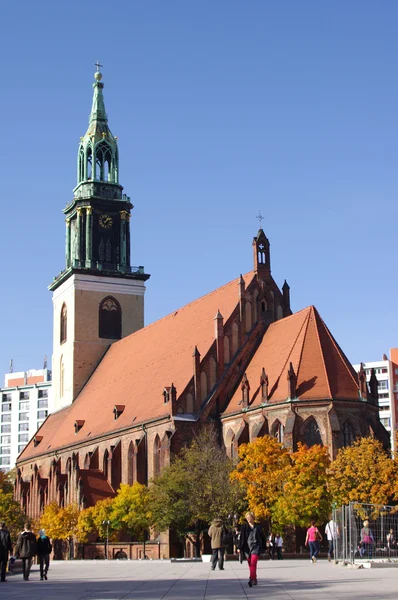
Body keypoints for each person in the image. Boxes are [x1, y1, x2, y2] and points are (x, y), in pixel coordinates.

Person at [238, 512, 265, 588]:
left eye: (249, 517)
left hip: (256, 547)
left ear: (253, 518)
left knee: (253, 562)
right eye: (247, 518)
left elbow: (262, 537)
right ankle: (254, 578)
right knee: (250, 563)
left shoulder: (258, 527)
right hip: (247, 547)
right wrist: (239, 547)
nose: (248, 519)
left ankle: (251, 578)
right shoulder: (244, 527)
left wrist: (264, 546)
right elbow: (242, 538)